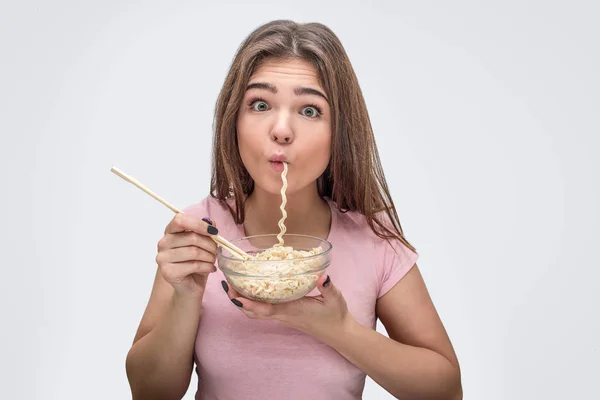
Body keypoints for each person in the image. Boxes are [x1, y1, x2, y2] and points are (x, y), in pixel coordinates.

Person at [125, 20, 462, 400]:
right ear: (234, 119)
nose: (282, 130)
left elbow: (446, 391)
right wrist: (186, 297)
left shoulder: (373, 242)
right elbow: (149, 393)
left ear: (340, 131)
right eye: (261, 105)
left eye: (310, 110)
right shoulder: (199, 232)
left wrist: (337, 329)